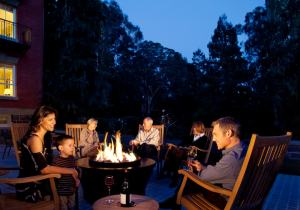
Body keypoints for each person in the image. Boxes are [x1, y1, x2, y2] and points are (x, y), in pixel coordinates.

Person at [160, 116, 246, 209]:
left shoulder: (232, 158)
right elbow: (222, 171)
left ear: (228, 133)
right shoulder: (243, 149)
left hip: (226, 201)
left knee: (190, 175)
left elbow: (204, 177)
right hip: (239, 197)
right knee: (196, 171)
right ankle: (174, 200)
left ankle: (175, 201)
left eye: (216, 134)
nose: (213, 139)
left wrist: (193, 171)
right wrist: (203, 167)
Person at [16, 105, 80, 203]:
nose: (54, 122)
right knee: (64, 182)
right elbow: (44, 169)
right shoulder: (35, 140)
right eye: (50, 119)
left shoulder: (44, 137)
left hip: (40, 182)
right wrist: (71, 170)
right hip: (30, 188)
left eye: (54, 119)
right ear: (40, 120)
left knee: (66, 182)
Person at [163, 121, 211, 187]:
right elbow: (182, 143)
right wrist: (175, 145)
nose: (193, 129)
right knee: (173, 150)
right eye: (193, 128)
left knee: (176, 154)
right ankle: (171, 173)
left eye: (195, 128)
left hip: (195, 155)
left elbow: (203, 150)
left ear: (199, 128)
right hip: (184, 153)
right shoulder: (191, 136)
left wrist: (192, 148)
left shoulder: (205, 139)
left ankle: (171, 174)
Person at [52, 134, 79, 210]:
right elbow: (54, 174)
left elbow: (75, 171)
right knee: (63, 207)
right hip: (62, 190)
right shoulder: (56, 160)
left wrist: (77, 179)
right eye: (70, 146)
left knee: (72, 205)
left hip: (72, 189)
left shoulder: (72, 158)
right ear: (61, 148)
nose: (73, 148)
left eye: (73, 145)